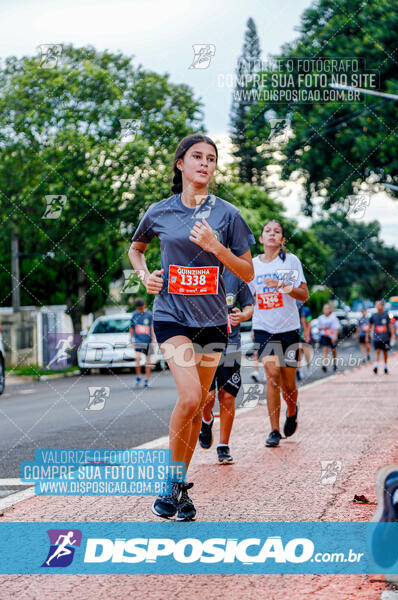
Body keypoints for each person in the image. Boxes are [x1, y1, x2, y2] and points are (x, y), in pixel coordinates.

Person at [128, 134, 255, 520]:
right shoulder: (160, 212)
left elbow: (248, 272)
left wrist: (218, 248)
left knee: (199, 402)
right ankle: (171, 480)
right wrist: (145, 275)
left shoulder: (228, 215)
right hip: (171, 318)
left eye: (211, 158)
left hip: (214, 324)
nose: (204, 163)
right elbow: (137, 248)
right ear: (180, 164)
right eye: (196, 156)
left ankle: (179, 490)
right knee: (188, 398)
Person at [249, 220, 309, 448]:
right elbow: (248, 297)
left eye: (277, 232)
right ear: (261, 239)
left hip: (289, 330)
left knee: (288, 385)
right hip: (264, 329)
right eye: (267, 231)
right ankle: (274, 430)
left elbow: (304, 295)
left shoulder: (291, 261)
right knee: (272, 376)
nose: (272, 234)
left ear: (282, 240)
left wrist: (282, 286)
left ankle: (292, 410)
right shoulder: (252, 266)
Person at [199, 270, 254, 464]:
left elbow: (249, 305)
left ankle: (223, 446)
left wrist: (243, 315)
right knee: (207, 397)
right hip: (204, 344)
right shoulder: (198, 269)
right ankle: (206, 421)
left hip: (230, 344)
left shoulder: (235, 274)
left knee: (227, 395)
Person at [129, 298, 156, 388]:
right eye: (138, 308)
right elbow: (131, 327)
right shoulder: (134, 314)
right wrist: (131, 339)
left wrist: (153, 339)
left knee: (148, 360)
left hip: (147, 340)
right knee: (137, 357)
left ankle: (147, 379)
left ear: (144, 305)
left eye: (141, 308)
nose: (140, 310)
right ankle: (139, 376)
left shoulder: (149, 314)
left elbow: (152, 327)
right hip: (138, 340)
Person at [369, 299, 395, 374]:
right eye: (377, 305)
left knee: (385, 352)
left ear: (382, 306)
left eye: (380, 305)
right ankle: (376, 366)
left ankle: (385, 366)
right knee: (377, 351)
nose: (378, 306)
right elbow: (370, 326)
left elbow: (391, 324)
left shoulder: (386, 314)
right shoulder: (373, 316)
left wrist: (393, 334)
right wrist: (369, 334)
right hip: (377, 337)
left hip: (385, 337)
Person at [317, 304, 340, 373]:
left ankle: (335, 363)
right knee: (325, 350)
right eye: (324, 309)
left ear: (329, 310)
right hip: (324, 335)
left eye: (327, 309)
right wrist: (324, 328)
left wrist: (335, 336)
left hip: (332, 336)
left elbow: (336, 328)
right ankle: (325, 364)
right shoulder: (320, 318)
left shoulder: (333, 318)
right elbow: (319, 328)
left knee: (333, 350)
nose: (326, 310)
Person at [296, 300, 312, 381]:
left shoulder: (306, 310)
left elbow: (308, 323)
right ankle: (299, 370)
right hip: (296, 332)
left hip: (304, 332)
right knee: (298, 351)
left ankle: (308, 366)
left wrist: (307, 334)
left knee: (306, 352)